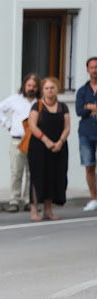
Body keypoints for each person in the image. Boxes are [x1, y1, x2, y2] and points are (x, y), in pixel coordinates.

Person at [0, 73, 40, 212]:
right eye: (29, 85)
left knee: (32, 173)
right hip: (18, 140)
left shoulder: (40, 102)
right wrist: (8, 125)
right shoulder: (15, 99)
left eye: (34, 86)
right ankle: (14, 200)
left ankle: (28, 201)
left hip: (35, 140)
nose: (31, 88)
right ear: (24, 86)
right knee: (16, 172)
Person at [27, 77, 70, 222]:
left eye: (52, 88)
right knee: (37, 177)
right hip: (39, 147)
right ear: (42, 90)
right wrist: (46, 141)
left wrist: (60, 142)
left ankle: (48, 211)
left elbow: (67, 128)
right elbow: (32, 126)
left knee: (53, 176)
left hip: (58, 147)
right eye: (46, 88)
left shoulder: (63, 107)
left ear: (57, 89)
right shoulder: (37, 106)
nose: (49, 91)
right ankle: (34, 211)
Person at [75, 57, 97, 212]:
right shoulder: (82, 91)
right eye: (92, 67)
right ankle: (94, 198)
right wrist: (91, 109)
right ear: (87, 70)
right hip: (86, 133)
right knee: (89, 167)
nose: (95, 70)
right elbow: (79, 111)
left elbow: (85, 109)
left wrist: (89, 106)